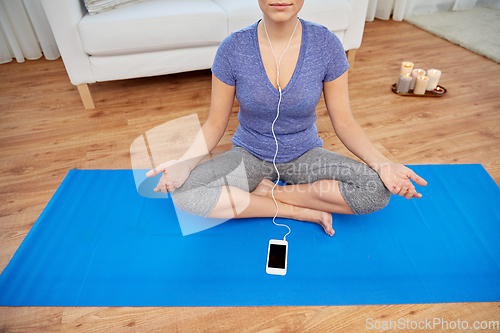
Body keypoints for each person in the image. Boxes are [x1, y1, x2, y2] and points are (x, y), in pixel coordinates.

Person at [146, 0, 427, 236]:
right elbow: (215, 123)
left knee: (376, 190)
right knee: (186, 193)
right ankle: (295, 210)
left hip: (305, 155)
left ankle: (270, 194)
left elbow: (345, 122)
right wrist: (185, 163)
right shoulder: (232, 49)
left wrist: (384, 164)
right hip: (248, 155)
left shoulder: (326, 45)